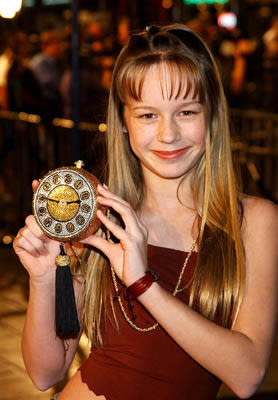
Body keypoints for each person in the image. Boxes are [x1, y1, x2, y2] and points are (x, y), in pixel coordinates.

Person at [13, 24, 277, 400]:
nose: (168, 134)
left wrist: (142, 282)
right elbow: (45, 373)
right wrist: (42, 278)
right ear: (123, 120)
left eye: (186, 112)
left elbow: (247, 373)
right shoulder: (98, 222)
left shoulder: (254, 221)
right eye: (148, 115)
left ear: (212, 115)